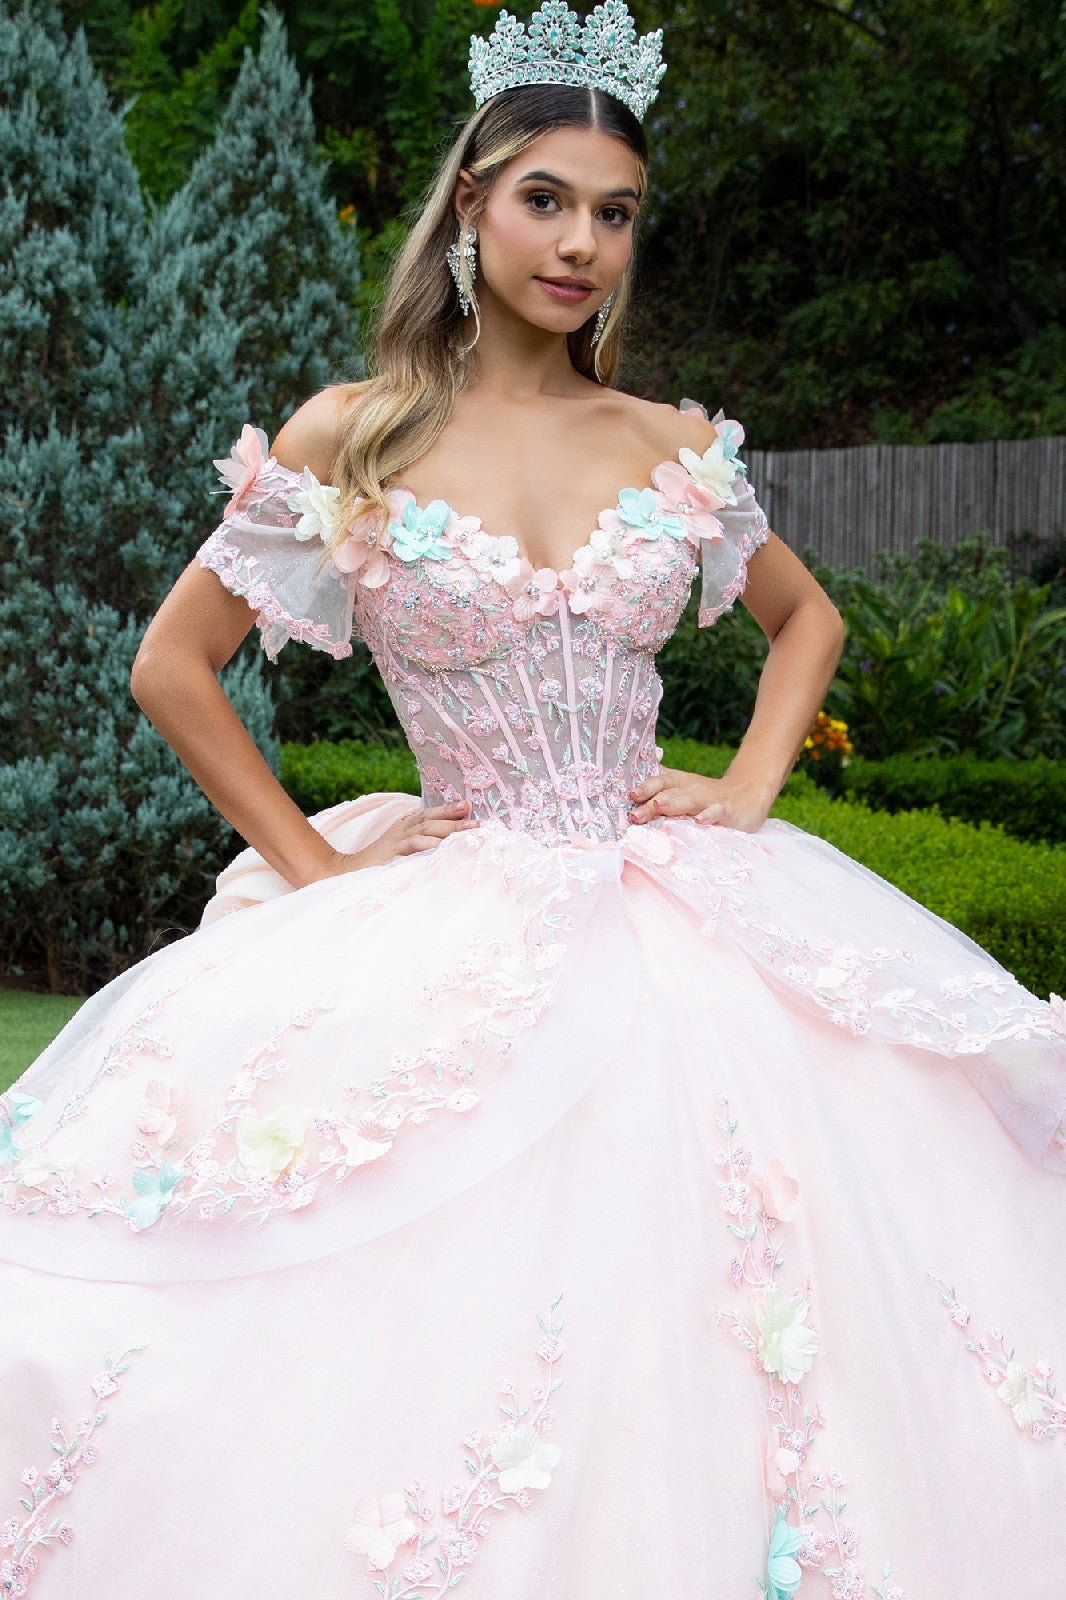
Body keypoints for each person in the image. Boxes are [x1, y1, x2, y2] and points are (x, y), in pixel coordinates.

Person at [1, 4, 1064, 1596]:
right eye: (546, 200)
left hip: (677, 907)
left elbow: (806, 620)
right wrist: (310, 867)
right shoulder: (355, 437)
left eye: (614, 214)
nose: (581, 244)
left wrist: (750, 787)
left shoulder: (671, 443)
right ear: (471, 205)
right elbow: (173, 667)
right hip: (459, 900)